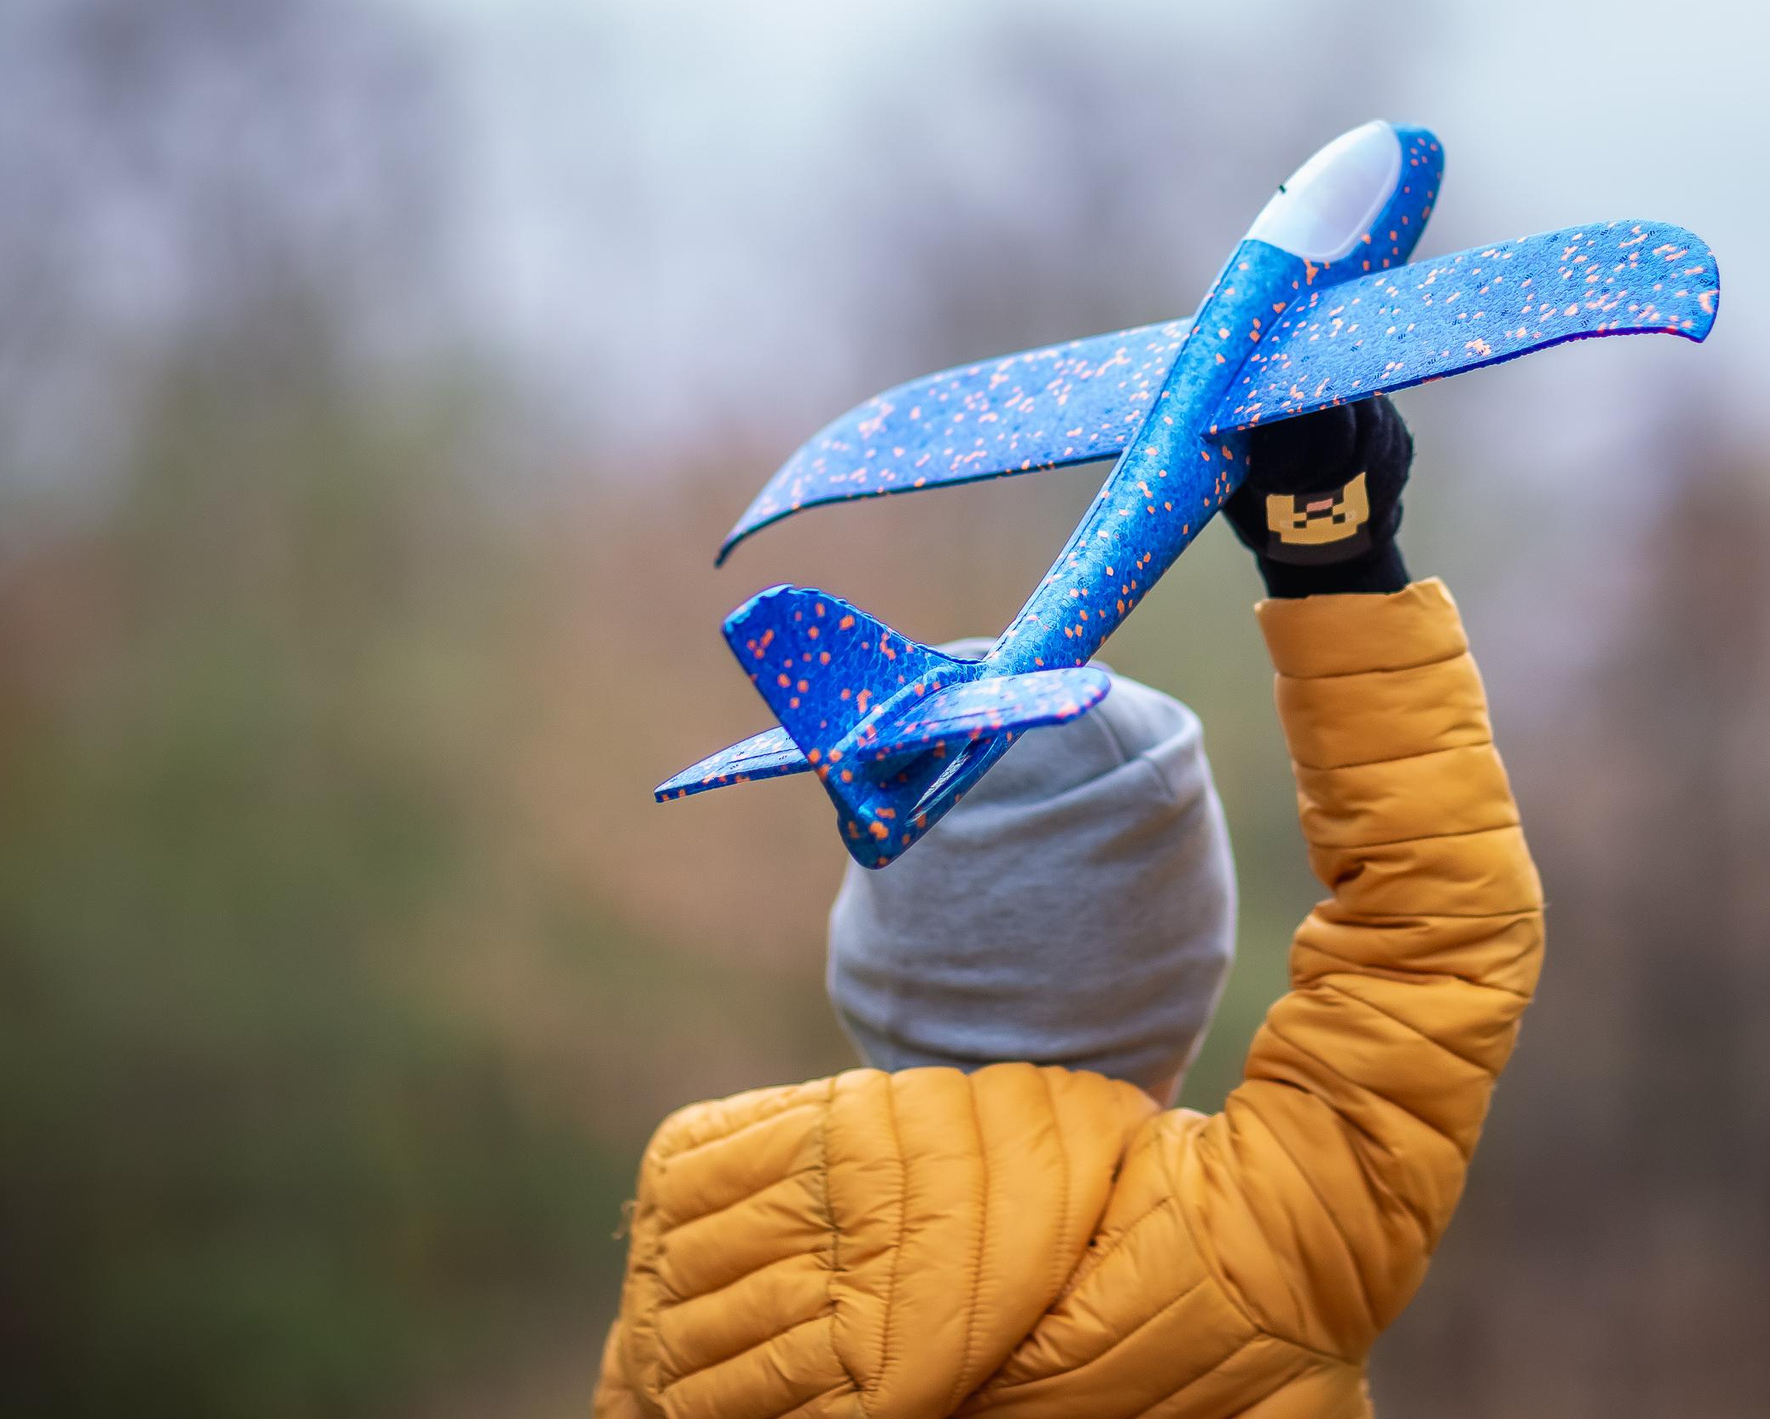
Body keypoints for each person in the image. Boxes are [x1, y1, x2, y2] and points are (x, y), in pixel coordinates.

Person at [594, 397, 1543, 1418]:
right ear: (1173, 969)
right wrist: (1336, 560)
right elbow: (1435, 939)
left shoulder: (695, 1247)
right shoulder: (1252, 1246)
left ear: (872, 957)